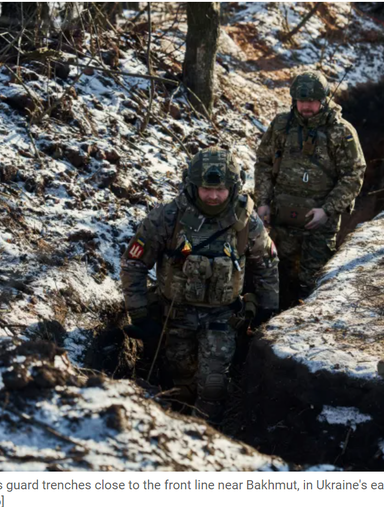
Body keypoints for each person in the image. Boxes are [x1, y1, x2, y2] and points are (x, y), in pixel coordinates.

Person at [120, 148, 279, 422]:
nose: (214, 196)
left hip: (222, 317)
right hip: (174, 316)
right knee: (177, 380)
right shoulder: (168, 218)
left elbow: (266, 265)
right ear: (193, 185)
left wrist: (267, 310)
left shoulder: (246, 222)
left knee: (213, 384)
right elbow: (133, 264)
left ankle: (209, 434)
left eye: (221, 190)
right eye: (207, 189)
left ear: (234, 187)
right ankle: (172, 428)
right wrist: (140, 313)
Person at [254, 70, 367, 304]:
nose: (306, 106)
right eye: (301, 101)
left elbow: (354, 174)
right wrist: (263, 202)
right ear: (294, 100)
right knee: (277, 277)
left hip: (319, 224)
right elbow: (264, 163)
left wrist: (327, 209)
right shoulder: (281, 126)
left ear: (323, 99)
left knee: (312, 283)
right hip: (282, 218)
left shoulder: (341, 132)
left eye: (312, 101)